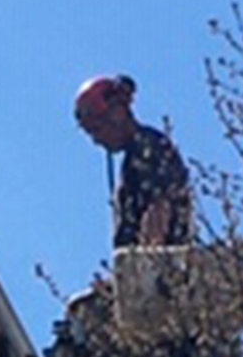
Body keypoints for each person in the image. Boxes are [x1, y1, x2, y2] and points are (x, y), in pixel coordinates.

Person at [73, 73, 194, 249]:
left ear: (117, 112)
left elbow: (160, 209)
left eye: (98, 128)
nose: (97, 139)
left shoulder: (149, 149)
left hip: (158, 264)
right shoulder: (135, 155)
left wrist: (147, 261)